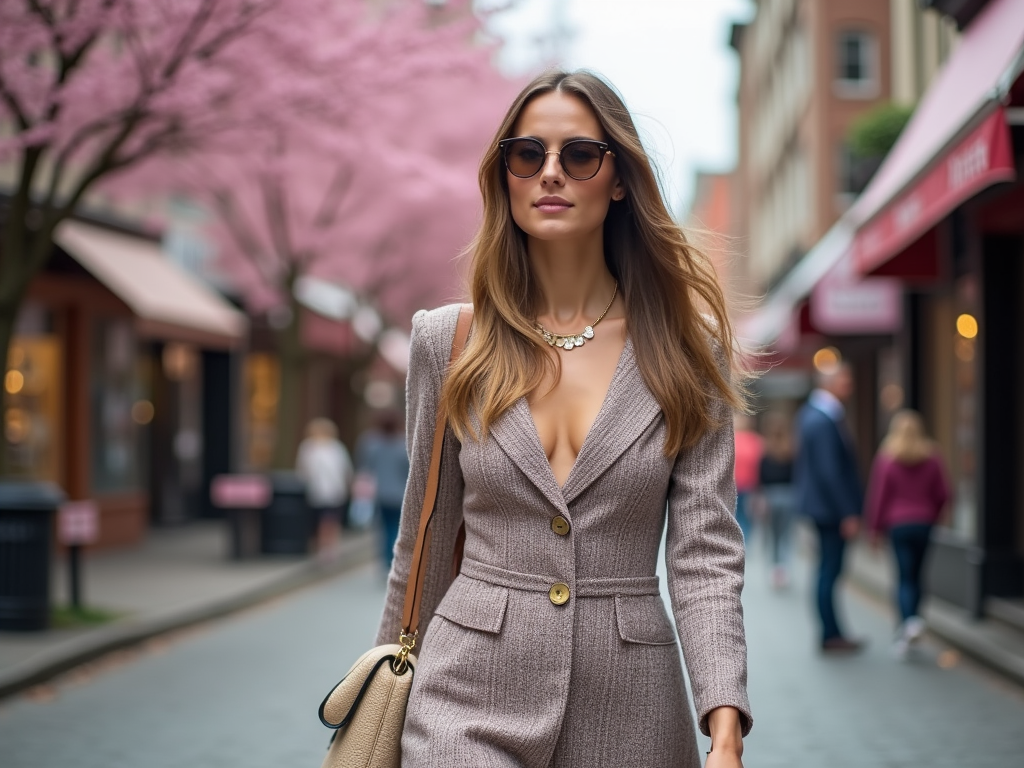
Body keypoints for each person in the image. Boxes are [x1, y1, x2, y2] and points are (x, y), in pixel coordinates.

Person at [374, 70, 752, 767]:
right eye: (528, 155)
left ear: (617, 179)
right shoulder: (448, 342)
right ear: (506, 177)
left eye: (579, 154)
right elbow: (422, 537)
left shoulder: (689, 350)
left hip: (631, 706)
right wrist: (381, 713)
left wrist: (723, 720)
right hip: (465, 699)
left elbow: (705, 556)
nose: (550, 172)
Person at [865, 409, 950, 658]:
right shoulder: (932, 456)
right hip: (924, 524)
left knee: (903, 577)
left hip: (898, 525)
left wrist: (874, 530)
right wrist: (933, 514)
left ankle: (908, 624)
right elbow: (944, 493)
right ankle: (915, 621)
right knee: (918, 575)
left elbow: (879, 497)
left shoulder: (887, 457)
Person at [794, 363, 864, 653]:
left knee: (828, 570)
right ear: (830, 383)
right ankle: (830, 634)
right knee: (829, 571)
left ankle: (833, 632)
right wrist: (847, 511)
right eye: (845, 379)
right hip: (830, 511)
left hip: (822, 508)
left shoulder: (813, 415)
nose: (850, 384)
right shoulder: (823, 419)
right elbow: (830, 471)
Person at [355, 410, 410, 569]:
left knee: (384, 527)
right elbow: (408, 469)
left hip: (380, 493)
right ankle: (394, 558)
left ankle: (387, 558)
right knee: (397, 527)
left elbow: (364, 466)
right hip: (400, 493)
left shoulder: (370, 442)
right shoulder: (403, 443)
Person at [295, 417, 353, 559]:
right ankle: (326, 548)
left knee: (328, 521)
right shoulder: (312, 447)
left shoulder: (332, 447)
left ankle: (327, 549)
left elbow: (302, 470)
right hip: (320, 491)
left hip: (330, 491)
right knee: (326, 522)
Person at [758, 411, 796, 589]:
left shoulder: (766, 451)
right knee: (786, 536)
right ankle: (784, 569)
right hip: (789, 496)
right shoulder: (791, 451)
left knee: (772, 536)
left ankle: (774, 570)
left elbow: (761, 476)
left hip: (771, 497)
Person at [733, 414, 763, 544]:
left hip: (750, 486)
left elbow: (760, 465)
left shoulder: (756, 441)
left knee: (747, 515)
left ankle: (744, 541)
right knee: (735, 515)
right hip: (733, 485)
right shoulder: (730, 439)